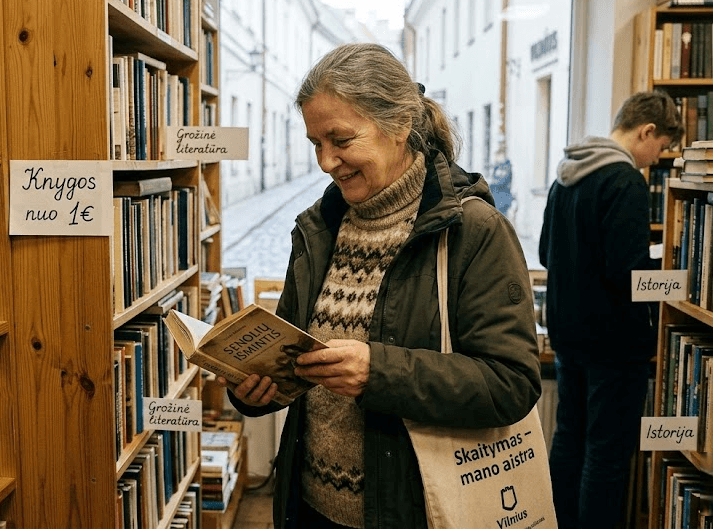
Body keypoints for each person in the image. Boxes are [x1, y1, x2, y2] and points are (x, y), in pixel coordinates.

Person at [224, 43, 542, 529]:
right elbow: (292, 354)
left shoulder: (472, 230)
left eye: (341, 140)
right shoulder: (318, 229)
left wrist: (378, 373)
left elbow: (511, 383)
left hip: (416, 512)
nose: (326, 162)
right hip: (310, 507)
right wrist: (255, 385)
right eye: (315, 143)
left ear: (397, 126)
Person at [539, 90, 682, 529]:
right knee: (606, 454)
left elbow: (545, 252)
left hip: (568, 334)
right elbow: (628, 274)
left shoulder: (567, 174)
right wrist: (679, 278)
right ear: (647, 131)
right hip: (614, 342)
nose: (654, 161)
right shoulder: (623, 180)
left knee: (569, 441)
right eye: (659, 149)